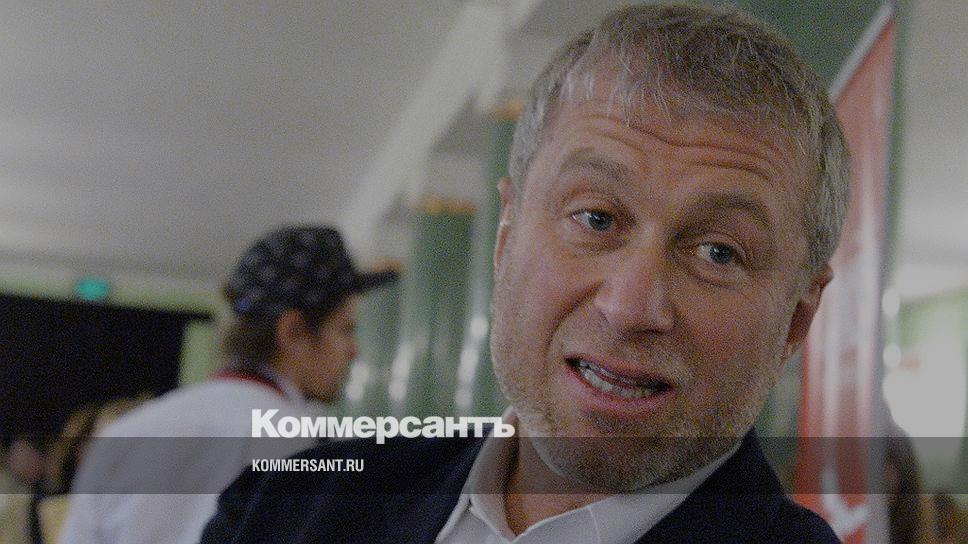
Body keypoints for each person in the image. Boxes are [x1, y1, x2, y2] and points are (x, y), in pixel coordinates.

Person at [202, 4, 848, 543]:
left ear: (796, 320)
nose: (630, 306)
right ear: (506, 235)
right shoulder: (281, 507)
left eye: (718, 253)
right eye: (596, 218)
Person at [58, 225, 396, 544]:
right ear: (292, 332)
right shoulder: (304, 451)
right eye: (345, 329)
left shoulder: (124, 435)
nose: (354, 350)